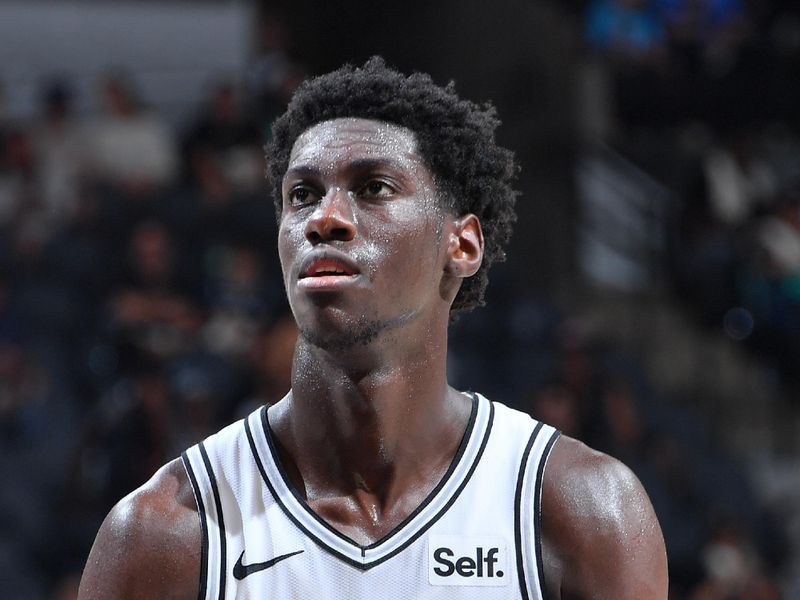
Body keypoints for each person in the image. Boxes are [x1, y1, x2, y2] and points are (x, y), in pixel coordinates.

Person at [78, 57, 668, 599]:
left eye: (374, 188)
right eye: (301, 194)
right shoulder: (164, 533)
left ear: (461, 244)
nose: (325, 219)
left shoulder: (580, 511)